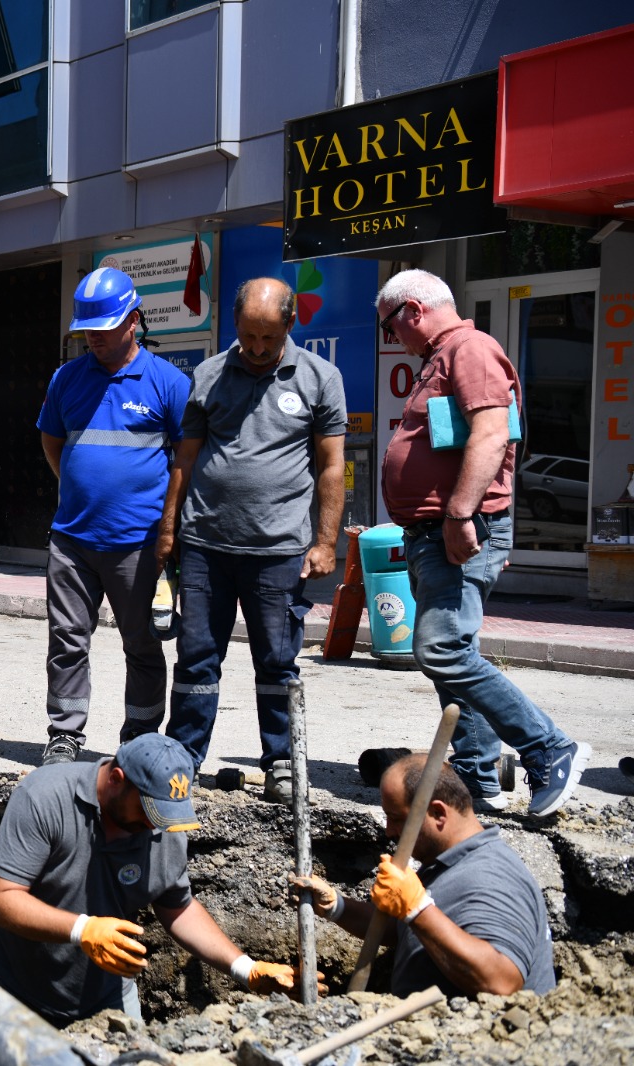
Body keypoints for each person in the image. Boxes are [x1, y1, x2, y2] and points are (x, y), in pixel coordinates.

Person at [378, 269, 591, 817]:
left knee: (441, 648)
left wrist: (458, 512)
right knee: (453, 655)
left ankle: (550, 748)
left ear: (413, 310)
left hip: (457, 527)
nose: (391, 337)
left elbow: (493, 432)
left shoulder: (470, 349)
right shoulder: (441, 359)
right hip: (432, 532)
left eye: (389, 325)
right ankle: (476, 775)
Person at [154, 277, 346, 802]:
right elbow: (185, 460)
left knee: (277, 662)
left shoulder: (320, 378)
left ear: (290, 324)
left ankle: (282, 761)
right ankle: (183, 758)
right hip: (205, 547)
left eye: (269, 337)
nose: (258, 349)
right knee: (196, 659)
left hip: (279, 551)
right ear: (235, 325)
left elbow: (332, 467)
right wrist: (169, 530)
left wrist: (326, 541)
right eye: (248, 336)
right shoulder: (209, 375)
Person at [0, 733, 314, 1025]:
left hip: (104, 1000)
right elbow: (0, 899)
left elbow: (177, 908)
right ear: (117, 779)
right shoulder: (44, 797)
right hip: (9, 991)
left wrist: (247, 969)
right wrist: (83, 929)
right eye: (148, 810)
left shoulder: (164, 823)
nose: (156, 825)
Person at [36, 266, 189, 765]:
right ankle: (65, 734)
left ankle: (139, 736)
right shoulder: (66, 378)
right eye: (88, 333)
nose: (94, 341)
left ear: (133, 321)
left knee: (142, 644)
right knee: (66, 641)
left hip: (138, 542)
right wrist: (83, 490)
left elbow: (187, 460)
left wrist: (168, 529)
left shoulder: (168, 383)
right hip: (73, 539)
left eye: (103, 331)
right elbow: (53, 442)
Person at [288, 754, 555, 998]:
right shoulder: (448, 861)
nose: (389, 831)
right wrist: (336, 906)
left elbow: (501, 982)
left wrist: (417, 908)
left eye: (395, 818)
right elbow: (410, 930)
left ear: (438, 813)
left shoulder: (489, 877)